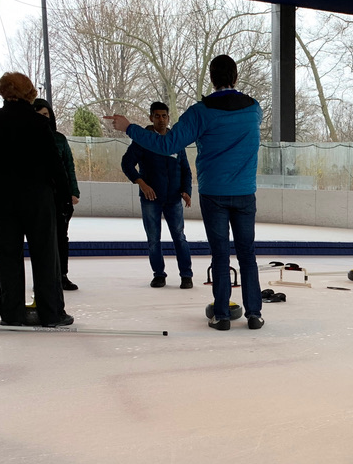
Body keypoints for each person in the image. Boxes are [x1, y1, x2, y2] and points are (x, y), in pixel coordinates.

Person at [106, 55, 263, 331]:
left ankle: (222, 315)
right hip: (244, 192)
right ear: (236, 77)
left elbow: (168, 144)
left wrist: (130, 127)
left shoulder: (201, 112)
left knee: (221, 255)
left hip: (214, 193)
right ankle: (254, 314)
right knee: (247, 254)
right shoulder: (254, 109)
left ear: (212, 79)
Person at [0, 73, 73, 328]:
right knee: (45, 257)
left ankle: (12, 313)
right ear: (29, 92)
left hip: (0, 200)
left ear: (2, 91)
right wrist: (64, 200)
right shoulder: (38, 123)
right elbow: (55, 166)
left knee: (8, 258)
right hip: (36, 200)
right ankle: (51, 313)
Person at [120, 101, 194, 289]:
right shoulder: (143, 140)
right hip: (150, 199)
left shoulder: (175, 141)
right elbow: (126, 163)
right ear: (151, 118)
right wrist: (141, 183)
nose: (161, 119)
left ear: (169, 118)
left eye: (164, 116)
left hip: (173, 198)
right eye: (157, 116)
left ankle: (186, 275)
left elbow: (185, 169)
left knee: (179, 236)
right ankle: (159, 274)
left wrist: (186, 190)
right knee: (154, 239)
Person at [32, 98, 81, 291]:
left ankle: (62, 275)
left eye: (45, 114)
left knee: (61, 237)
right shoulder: (26, 140)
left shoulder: (59, 139)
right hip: (37, 197)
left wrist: (73, 192)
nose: (43, 118)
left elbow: (69, 166)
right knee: (41, 239)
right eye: (38, 115)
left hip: (60, 197)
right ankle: (43, 278)